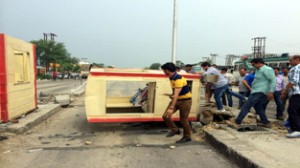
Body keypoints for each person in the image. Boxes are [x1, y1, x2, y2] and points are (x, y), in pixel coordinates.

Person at [232, 56, 276, 128]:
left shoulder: (267, 69)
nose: (253, 66)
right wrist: (244, 61)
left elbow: (273, 81)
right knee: (258, 107)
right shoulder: (258, 69)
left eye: (254, 64)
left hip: (260, 91)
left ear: (259, 63)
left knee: (246, 105)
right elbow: (248, 67)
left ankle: (238, 121)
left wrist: (271, 92)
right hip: (256, 90)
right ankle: (266, 122)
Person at [161, 62, 192, 143]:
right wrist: (171, 95)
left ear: (167, 70)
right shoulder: (172, 78)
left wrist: (171, 107)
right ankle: (175, 130)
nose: (163, 72)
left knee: (183, 120)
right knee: (165, 116)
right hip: (178, 99)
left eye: (164, 70)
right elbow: (175, 93)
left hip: (185, 101)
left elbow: (176, 94)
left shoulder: (178, 79)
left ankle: (187, 136)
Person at [281, 55, 300, 138]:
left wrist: (285, 91)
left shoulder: (296, 68)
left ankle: (296, 130)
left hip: (296, 93)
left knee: (292, 110)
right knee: (298, 111)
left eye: (291, 60)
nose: (290, 62)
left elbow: (293, 81)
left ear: (297, 59)